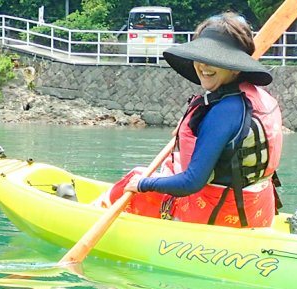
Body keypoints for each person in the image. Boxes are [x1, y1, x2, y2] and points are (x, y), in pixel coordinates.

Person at [103, 12, 283, 228]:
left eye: (214, 60)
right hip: (258, 213)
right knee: (169, 167)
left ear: (235, 66)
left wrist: (142, 184)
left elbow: (191, 183)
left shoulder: (224, 111)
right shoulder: (254, 97)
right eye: (200, 57)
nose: (203, 66)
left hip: (218, 216)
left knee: (136, 176)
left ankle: (96, 213)